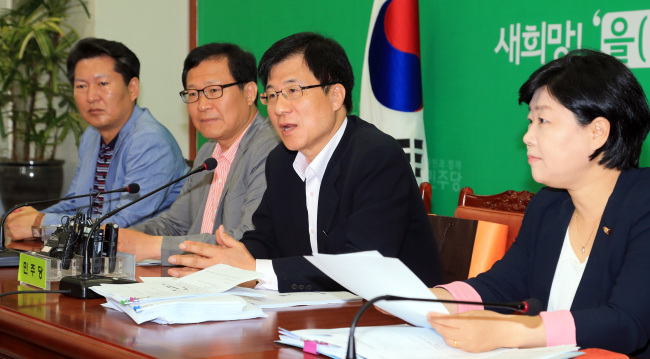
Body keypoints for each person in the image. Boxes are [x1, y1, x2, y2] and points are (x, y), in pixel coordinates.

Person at [166, 32, 443, 292]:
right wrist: (227, 260)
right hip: (316, 314)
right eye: (272, 95)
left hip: (394, 318)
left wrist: (254, 270)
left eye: (293, 91)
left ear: (336, 96)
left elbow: (360, 266)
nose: (279, 108)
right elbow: (266, 239)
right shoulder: (282, 161)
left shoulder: (376, 156)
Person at [427, 49, 650, 357]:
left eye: (543, 120)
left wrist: (513, 331)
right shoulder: (549, 205)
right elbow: (503, 286)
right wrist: (433, 300)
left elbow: (626, 324)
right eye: (530, 121)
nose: (528, 137)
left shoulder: (643, 205)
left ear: (597, 132)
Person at [4, 38, 188, 240]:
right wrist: (34, 217)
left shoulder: (150, 141)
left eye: (102, 83)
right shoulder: (91, 136)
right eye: (81, 86)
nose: (91, 96)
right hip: (97, 253)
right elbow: (76, 202)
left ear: (132, 88)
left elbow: (122, 223)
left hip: (146, 261)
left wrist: (40, 224)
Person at [116, 43, 279, 263]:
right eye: (193, 94)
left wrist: (153, 246)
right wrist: (121, 239)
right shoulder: (208, 152)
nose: (202, 105)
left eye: (213, 91)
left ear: (249, 93)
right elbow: (174, 225)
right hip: (194, 278)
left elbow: (247, 238)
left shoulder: (271, 147)